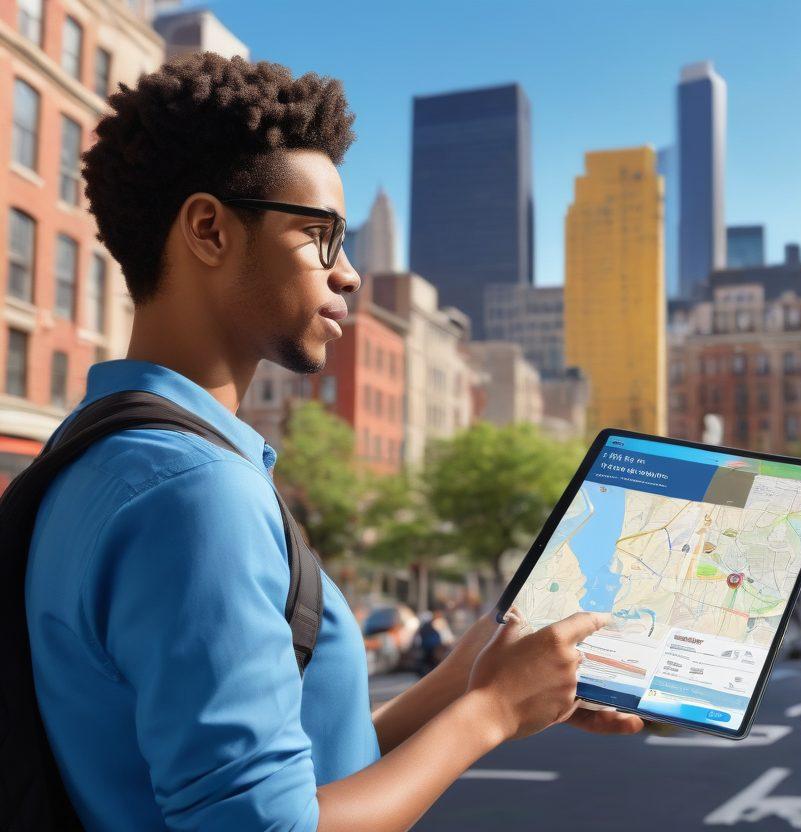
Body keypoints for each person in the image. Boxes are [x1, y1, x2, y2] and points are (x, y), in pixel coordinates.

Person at [24, 53, 642, 832]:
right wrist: (491, 712)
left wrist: (474, 677)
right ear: (209, 230)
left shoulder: (97, 454)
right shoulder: (195, 492)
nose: (348, 274)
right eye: (320, 236)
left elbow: (303, 779)